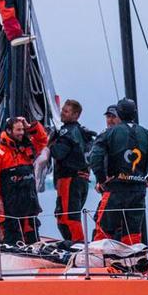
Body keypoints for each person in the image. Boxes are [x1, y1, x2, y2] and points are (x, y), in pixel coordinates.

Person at [88, 99, 148, 244]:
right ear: (134, 113)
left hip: (115, 189)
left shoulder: (109, 134)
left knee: (104, 231)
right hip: (138, 190)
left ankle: (101, 261)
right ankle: (132, 261)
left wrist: (101, 179)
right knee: (133, 233)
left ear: (119, 113)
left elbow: (95, 157)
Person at [0, 116, 48, 245]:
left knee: (33, 237)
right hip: (9, 206)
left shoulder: (26, 149)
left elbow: (42, 140)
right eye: (18, 130)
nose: (21, 133)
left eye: (22, 130)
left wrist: (30, 126)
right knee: (12, 238)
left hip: (28, 204)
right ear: (9, 130)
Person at [49, 99, 96, 240]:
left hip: (69, 180)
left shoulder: (67, 132)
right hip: (82, 180)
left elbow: (58, 153)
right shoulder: (84, 133)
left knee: (68, 217)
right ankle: (74, 245)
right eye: (62, 110)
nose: (62, 113)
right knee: (66, 215)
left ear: (76, 115)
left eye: (66, 111)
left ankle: (77, 247)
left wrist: (49, 142)